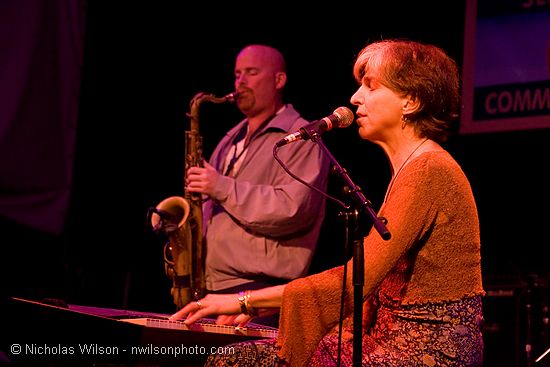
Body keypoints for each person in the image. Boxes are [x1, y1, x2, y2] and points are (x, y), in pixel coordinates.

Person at [173, 38, 485, 366]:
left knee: (237, 361)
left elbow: (357, 279)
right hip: (394, 340)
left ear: (410, 100)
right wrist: (270, 304)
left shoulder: (428, 169)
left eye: (371, 86)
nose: (355, 98)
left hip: (426, 352)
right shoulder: (413, 168)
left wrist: (244, 300)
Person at [183, 44, 331, 326]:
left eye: (251, 72)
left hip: (260, 294)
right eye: (237, 74)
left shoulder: (301, 137)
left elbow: (291, 208)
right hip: (212, 286)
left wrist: (221, 187)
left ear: (279, 80)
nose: (241, 82)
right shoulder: (232, 139)